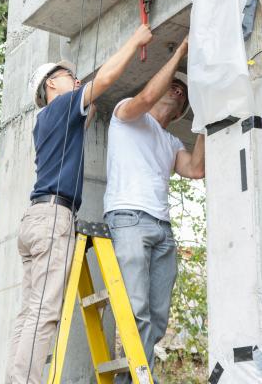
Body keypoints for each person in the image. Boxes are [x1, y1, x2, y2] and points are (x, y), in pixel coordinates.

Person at [5, 24, 153, 384]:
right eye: (68, 75)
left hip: (36, 219)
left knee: (30, 313)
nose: (75, 79)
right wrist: (134, 39)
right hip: (53, 217)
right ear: (51, 85)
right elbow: (100, 84)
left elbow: (85, 116)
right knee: (44, 314)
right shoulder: (62, 106)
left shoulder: (48, 121)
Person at [103, 36, 205, 383]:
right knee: (136, 310)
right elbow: (147, 97)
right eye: (174, 84)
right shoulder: (127, 113)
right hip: (128, 218)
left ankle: (129, 379)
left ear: (180, 113)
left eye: (183, 93)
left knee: (158, 317)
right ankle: (139, 379)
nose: (178, 89)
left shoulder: (173, 141)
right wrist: (179, 53)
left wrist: (204, 116)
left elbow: (196, 169)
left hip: (162, 229)